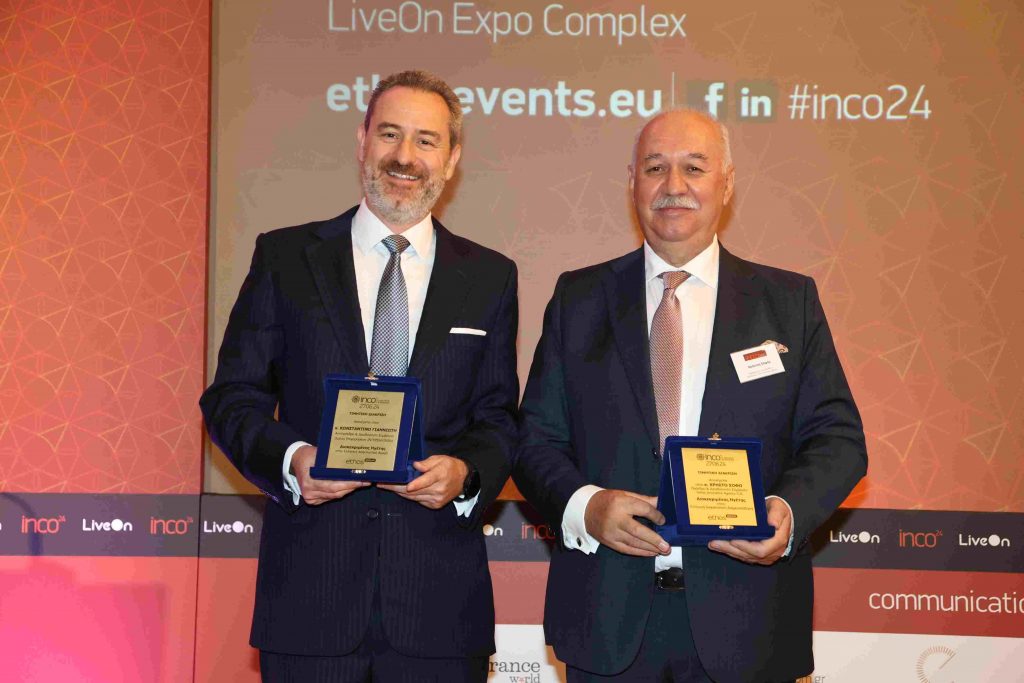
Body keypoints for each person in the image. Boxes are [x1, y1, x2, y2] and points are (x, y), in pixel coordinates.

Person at [513, 109, 867, 683]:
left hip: (748, 620)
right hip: (609, 619)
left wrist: (787, 511)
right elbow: (534, 440)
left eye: (694, 168)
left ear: (726, 184)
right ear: (633, 182)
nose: (673, 185)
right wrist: (586, 506)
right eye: (655, 168)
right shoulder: (579, 299)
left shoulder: (787, 302)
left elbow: (839, 440)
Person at [200, 70, 518, 682]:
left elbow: (498, 416)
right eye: (390, 134)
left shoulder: (489, 277)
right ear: (362, 141)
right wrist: (293, 460)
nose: (405, 157)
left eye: (426, 140)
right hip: (309, 601)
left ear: (452, 159)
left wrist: (465, 472)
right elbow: (232, 397)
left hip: (438, 608)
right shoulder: (286, 258)